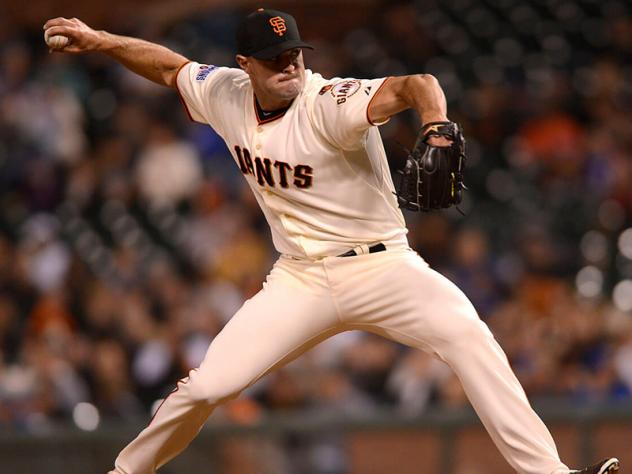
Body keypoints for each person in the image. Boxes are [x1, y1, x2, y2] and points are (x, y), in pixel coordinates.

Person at [43, 9, 619, 474]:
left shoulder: (329, 103)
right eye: (273, 59)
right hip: (299, 278)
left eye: (294, 52)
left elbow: (417, 84)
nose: (289, 65)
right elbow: (170, 68)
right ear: (246, 65)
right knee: (207, 385)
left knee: (470, 337)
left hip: (384, 267)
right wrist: (99, 40)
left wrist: (436, 123)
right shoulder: (225, 93)